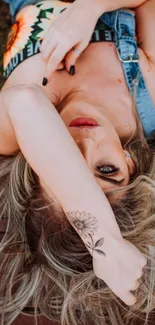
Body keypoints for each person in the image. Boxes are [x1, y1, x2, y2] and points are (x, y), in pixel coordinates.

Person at [0, 0, 155, 324]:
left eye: (69, 164)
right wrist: (89, 8)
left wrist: (105, 244)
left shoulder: (12, 130)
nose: (85, 144)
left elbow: (25, 101)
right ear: (130, 163)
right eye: (106, 170)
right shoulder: (146, 100)